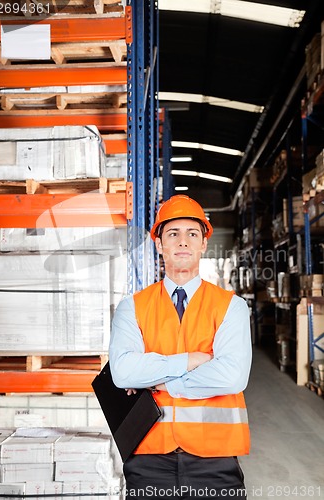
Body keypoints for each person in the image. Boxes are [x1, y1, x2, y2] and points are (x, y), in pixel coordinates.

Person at [109, 194, 252, 500]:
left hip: (215, 457)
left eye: (192, 234)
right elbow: (122, 373)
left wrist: (159, 380)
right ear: (159, 244)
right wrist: (193, 359)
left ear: (203, 244)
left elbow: (232, 375)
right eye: (173, 234)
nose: (183, 242)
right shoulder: (131, 307)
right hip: (148, 452)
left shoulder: (231, 306)